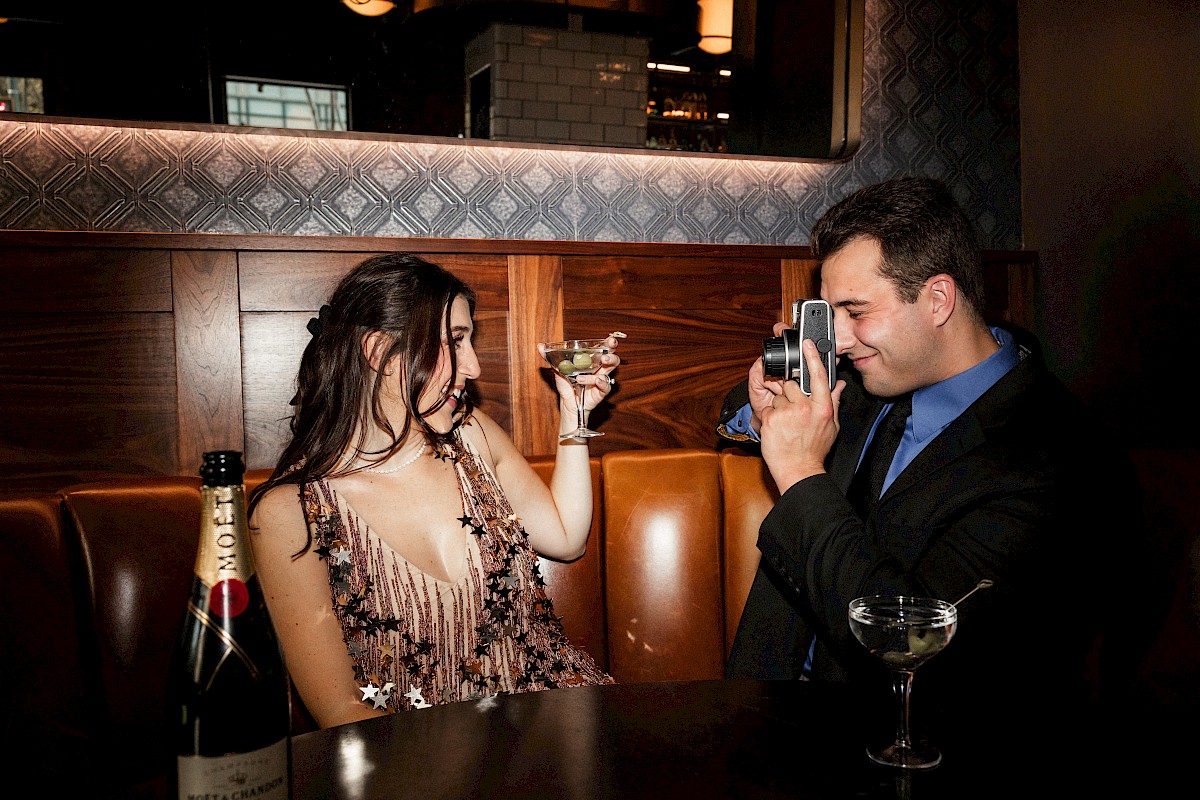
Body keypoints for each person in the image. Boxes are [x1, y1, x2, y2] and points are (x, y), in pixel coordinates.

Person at [716, 177, 1138, 764]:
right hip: (765, 719)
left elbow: (905, 640)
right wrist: (766, 408)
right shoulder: (873, 377)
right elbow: (731, 409)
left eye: (855, 311)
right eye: (828, 313)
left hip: (907, 748)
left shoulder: (1055, 459)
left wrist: (798, 470)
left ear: (938, 299)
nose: (836, 339)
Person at [248, 253, 619, 728]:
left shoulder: (471, 435)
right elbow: (339, 711)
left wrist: (575, 412)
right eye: (455, 342)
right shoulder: (290, 513)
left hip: (559, 720)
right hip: (417, 762)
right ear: (379, 352)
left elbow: (567, 539)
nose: (475, 366)